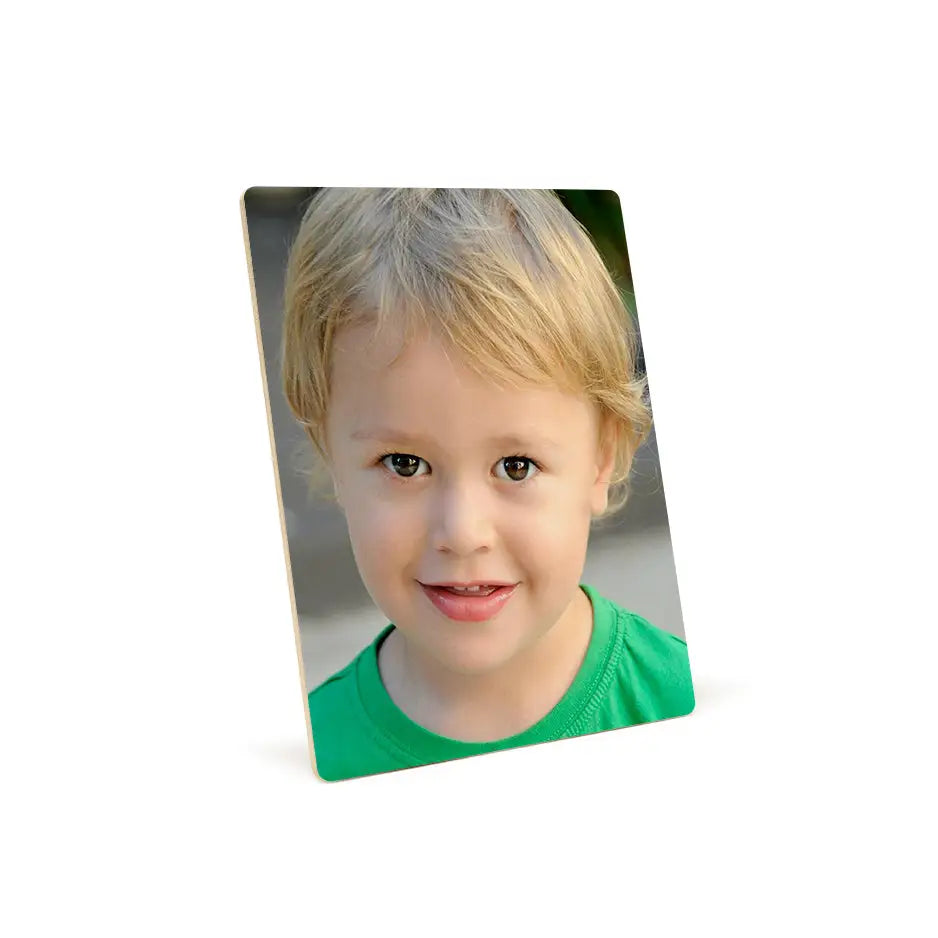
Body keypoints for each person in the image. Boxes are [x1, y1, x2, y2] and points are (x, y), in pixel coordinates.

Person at [281, 188, 694, 781]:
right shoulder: (315, 752)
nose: (463, 533)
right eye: (403, 464)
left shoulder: (676, 700)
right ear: (329, 453)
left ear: (602, 461)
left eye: (516, 466)